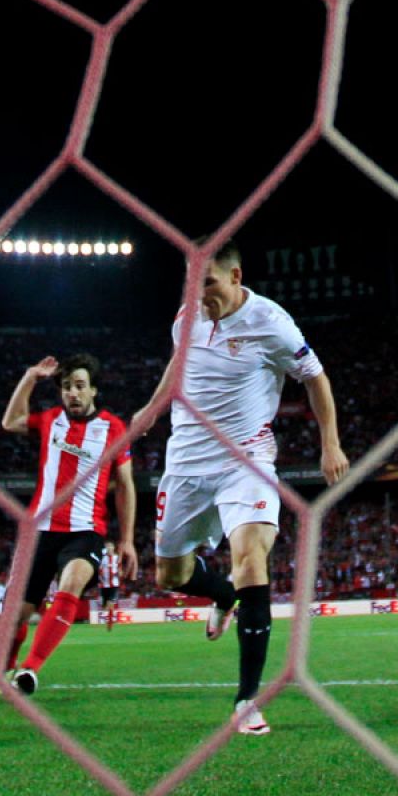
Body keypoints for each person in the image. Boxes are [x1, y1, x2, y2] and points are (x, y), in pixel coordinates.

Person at [140, 239, 348, 736]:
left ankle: (247, 700)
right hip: (187, 462)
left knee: (252, 560)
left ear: (235, 277)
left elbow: (315, 378)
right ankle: (222, 595)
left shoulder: (272, 324)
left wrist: (330, 444)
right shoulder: (185, 317)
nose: (199, 292)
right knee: (169, 576)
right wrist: (151, 409)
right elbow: (178, 363)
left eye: (207, 282)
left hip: (246, 460)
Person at [0, 353, 137, 693]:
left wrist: (128, 539)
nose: (72, 394)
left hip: (86, 531)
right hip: (41, 531)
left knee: (71, 582)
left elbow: (126, 486)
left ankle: (30, 670)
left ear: (93, 391)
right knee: (17, 614)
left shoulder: (113, 428)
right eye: (66, 388)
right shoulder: (50, 420)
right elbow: (9, 422)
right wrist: (30, 377)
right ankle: (4, 669)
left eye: (79, 386)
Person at [97, 541, 122, 632]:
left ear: (113, 548)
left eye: (110, 546)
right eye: (107, 547)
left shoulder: (116, 558)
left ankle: (110, 624)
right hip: (104, 585)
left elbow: (119, 569)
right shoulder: (102, 559)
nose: (109, 548)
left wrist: (119, 573)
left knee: (111, 605)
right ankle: (109, 619)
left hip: (114, 585)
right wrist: (101, 578)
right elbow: (99, 570)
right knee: (105, 607)